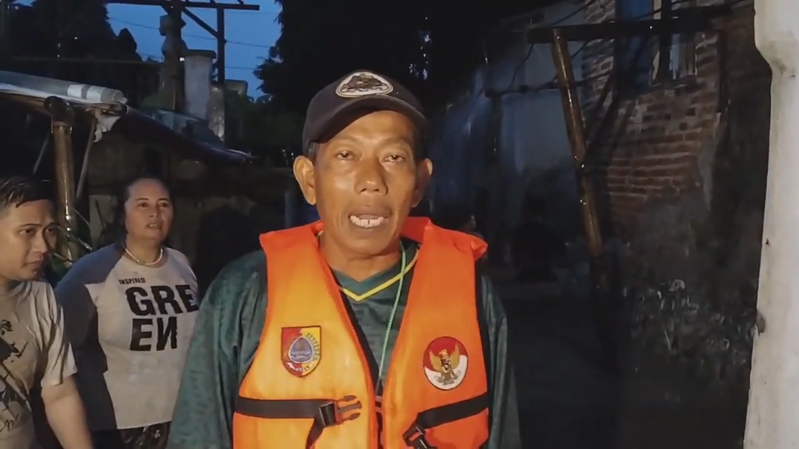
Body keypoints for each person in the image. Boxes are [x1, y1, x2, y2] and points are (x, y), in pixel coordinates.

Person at [167, 70, 521, 448]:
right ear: (308, 179)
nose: (371, 180)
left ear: (419, 182)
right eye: (346, 155)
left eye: (393, 156)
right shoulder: (243, 294)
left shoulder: (470, 294)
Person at [55, 176, 199, 449]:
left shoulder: (181, 263)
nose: (154, 213)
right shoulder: (92, 272)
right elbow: (56, 350)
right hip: (118, 427)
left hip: (182, 419)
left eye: (163, 204)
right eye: (142, 204)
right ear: (122, 215)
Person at [0, 176, 92, 449]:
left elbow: (59, 392)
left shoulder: (40, 295)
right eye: (28, 231)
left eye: (50, 230)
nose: (44, 247)